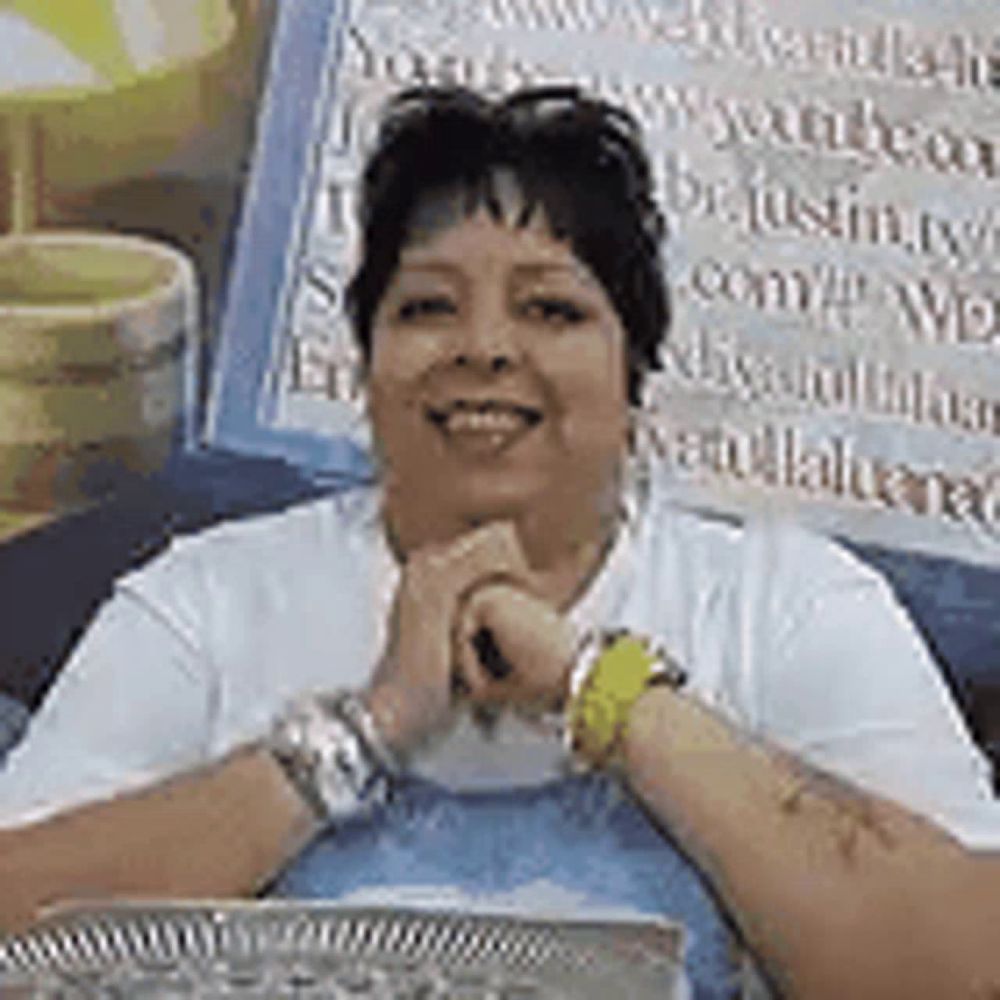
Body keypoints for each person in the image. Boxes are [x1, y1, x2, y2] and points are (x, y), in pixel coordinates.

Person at [1, 85, 998, 998]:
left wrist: (599, 692)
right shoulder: (207, 600)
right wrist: (366, 728)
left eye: (551, 308)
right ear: (367, 366)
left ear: (635, 370)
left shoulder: (794, 604)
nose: (483, 346)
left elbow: (962, 971)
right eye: (427, 306)